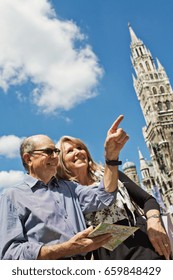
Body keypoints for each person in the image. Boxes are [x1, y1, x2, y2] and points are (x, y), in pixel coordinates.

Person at [0, 115, 128, 260]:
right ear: (28, 159)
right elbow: (10, 254)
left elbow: (105, 197)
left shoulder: (70, 188)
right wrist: (65, 249)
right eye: (48, 152)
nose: (55, 156)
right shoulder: (12, 196)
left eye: (56, 151)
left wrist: (111, 157)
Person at [56, 117, 171, 260]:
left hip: (144, 246)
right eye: (70, 151)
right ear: (62, 162)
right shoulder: (65, 194)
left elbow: (148, 200)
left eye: (80, 148)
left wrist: (154, 222)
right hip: (108, 258)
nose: (77, 152)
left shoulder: (111, 174)